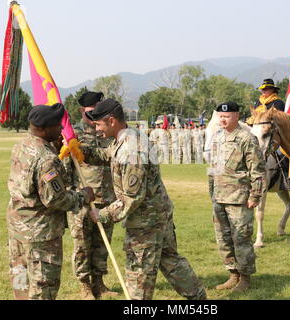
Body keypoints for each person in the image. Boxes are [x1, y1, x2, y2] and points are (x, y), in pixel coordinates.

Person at [78, 98, 207, 300]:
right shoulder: (126, 138)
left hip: (146, 222)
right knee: (170, 261)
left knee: (138, 273)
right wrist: (80, 152)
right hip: (156, 216)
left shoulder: (132, 150)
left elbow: (132, 197)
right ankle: (199, 298)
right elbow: (106, 155)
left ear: (111, 121)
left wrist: (102, 214)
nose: (96, 130)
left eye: (98, 125)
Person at [7, 103, 95, 300]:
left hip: (18, 230)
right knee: (42, 289)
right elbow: (55, 199)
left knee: (20, 283)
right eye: (57, 126)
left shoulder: (21, 145)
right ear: (43, 129)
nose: (61, 129)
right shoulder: (46, 158)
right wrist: (84, 196)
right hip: (40, 236)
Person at [63, 91, 118, 299]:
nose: (95, 115)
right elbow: (66, 170)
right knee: (82, 246)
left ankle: (99, 282)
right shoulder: (72, 135)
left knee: (102, 245)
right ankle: (84, 285)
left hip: (107, 198)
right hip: (82, 200)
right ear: (81, 111)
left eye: (98, 110)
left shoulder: (107, 131)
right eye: (91, 111)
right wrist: (72, 198)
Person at [210, 102, 266, 293]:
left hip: (239, 197)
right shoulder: (217, 137)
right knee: (223, 239)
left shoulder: (246, 138)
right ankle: (232, 273)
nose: (223, 119)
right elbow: (213, 167)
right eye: (220, 116)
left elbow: (257, 169)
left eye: (227, 116)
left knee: (241, 238)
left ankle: (245, 278)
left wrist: (255, 195)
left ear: (236, 116)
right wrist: (212, 192)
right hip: (219, 196)